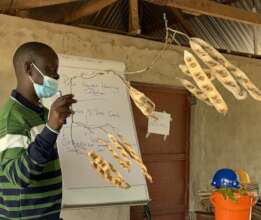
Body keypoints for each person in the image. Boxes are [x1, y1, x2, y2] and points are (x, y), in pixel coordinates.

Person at [0, 42, 76, 219]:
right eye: (50, 70)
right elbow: (18, 177)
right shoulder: (11, 117)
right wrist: (50, 129)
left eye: (56, 71)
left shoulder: (41, 113)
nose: (56, 76)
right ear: (29, 69)